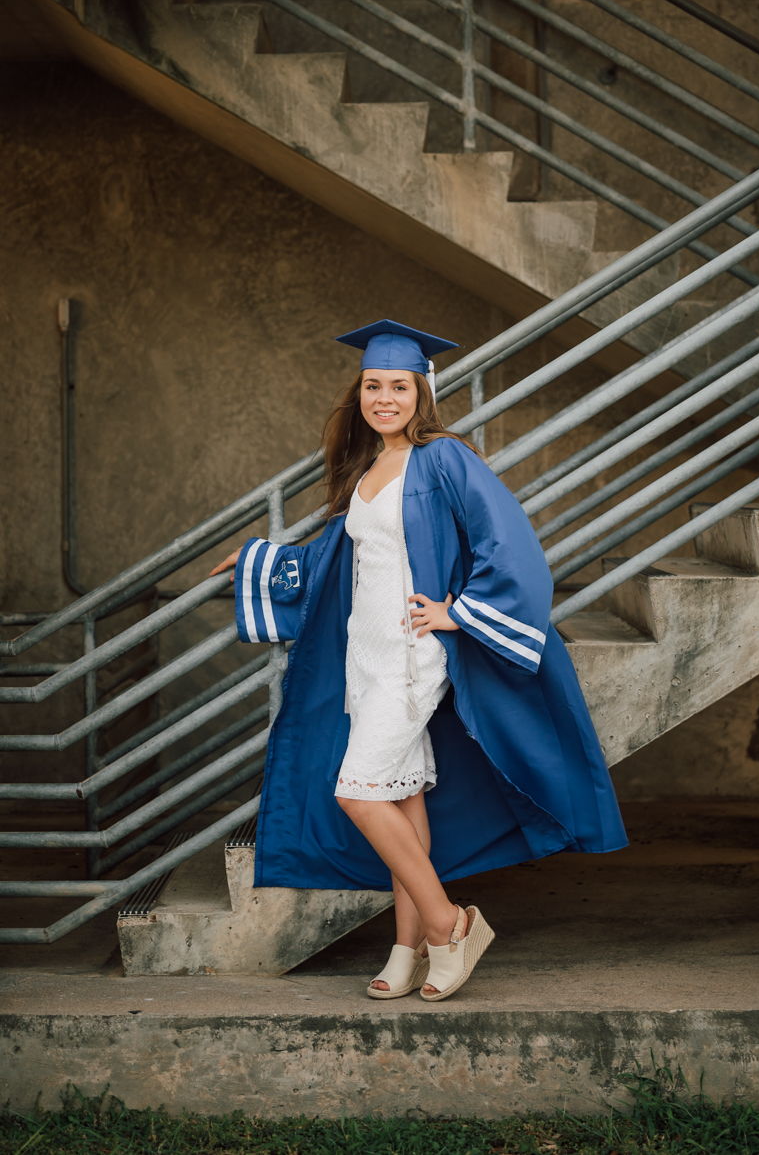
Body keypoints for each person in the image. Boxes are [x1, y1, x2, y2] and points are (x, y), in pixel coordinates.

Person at [211, 319, 627, 1002]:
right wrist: (260, 561)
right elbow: (339, 559)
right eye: (373, 386)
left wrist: (456, 613)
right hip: (367, 654)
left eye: (398, 387)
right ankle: (405, 951)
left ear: (421, 393)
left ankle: (447, 923)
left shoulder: (444, 459)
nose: (384, 398)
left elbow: (509, 543)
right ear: (360, 394)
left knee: (356, 791)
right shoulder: (368, 467)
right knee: (401, 798)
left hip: (413, 654)